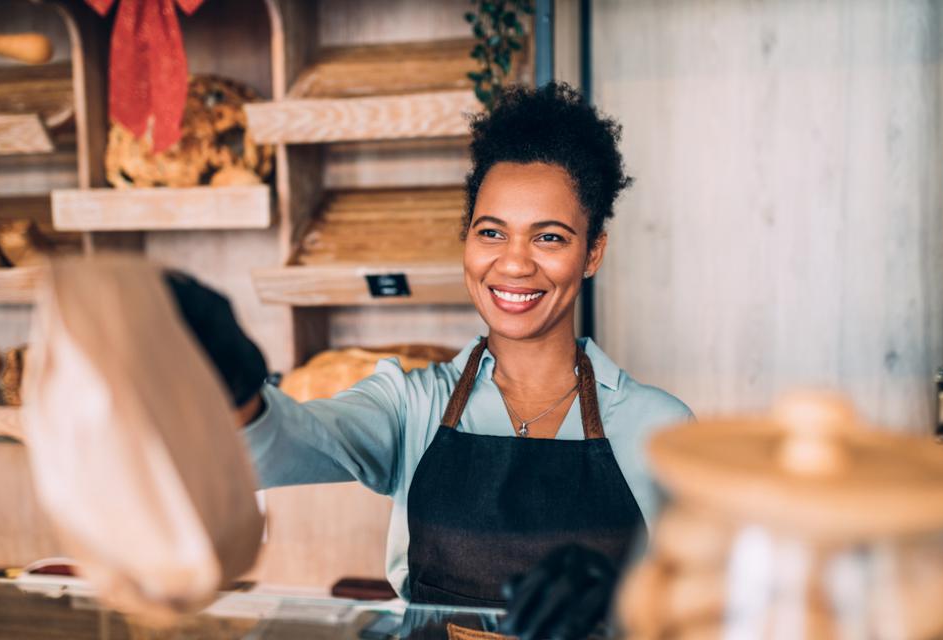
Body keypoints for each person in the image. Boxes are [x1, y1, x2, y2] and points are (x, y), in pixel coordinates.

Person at [168, 82, 692, 639]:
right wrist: (234, 387)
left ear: (593, 253)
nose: (514, 263)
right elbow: (289, 447)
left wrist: (632, 598)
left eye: (550, 238)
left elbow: (711, 610)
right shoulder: (411, 404)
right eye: (491, 232)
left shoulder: (662, 431)